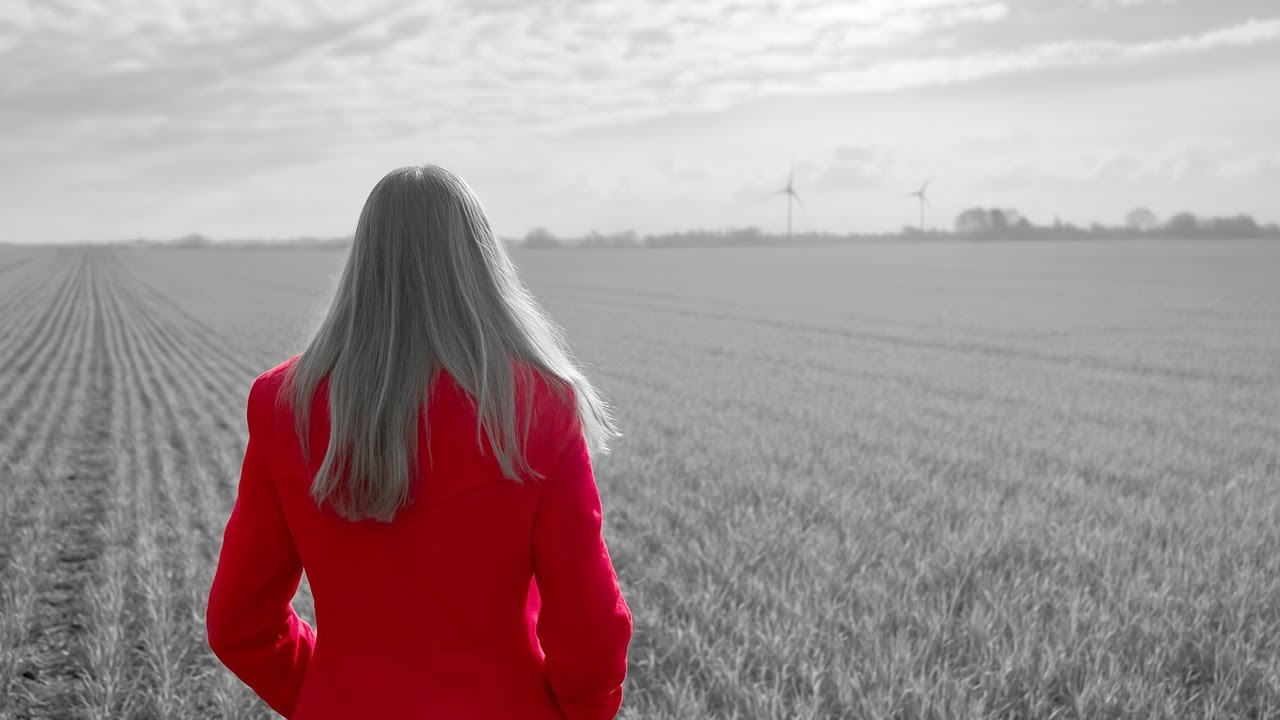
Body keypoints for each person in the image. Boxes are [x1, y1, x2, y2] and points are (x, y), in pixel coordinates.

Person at [206, 165, 633, 719]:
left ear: (364, 264)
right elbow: (592, 632)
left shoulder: (285, 404)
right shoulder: (538, 406)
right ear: (480, 264)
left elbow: (239, 623)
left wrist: (329, 694)